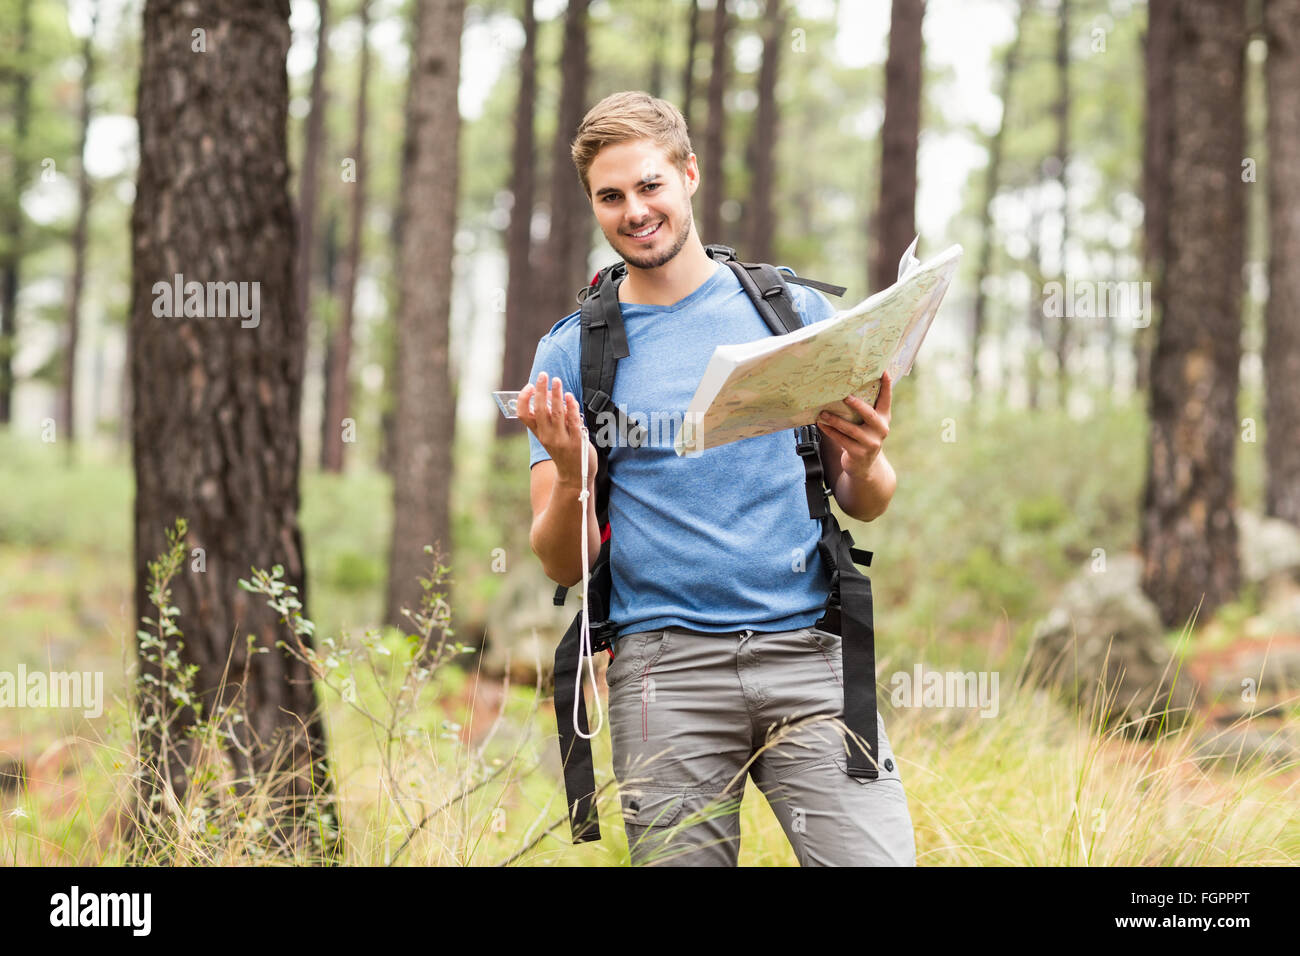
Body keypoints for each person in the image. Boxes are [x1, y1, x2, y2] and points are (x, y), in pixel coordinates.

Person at [517, 90, 916, 867]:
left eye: (650, 185)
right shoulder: (572, 353)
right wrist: (572, 474)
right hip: (663, 679)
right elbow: (562, 564)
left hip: (810, 659)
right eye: (611, 196)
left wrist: (866, 459)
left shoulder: (790, 313)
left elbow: (863, 502)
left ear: (689, 175)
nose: (634, 210)